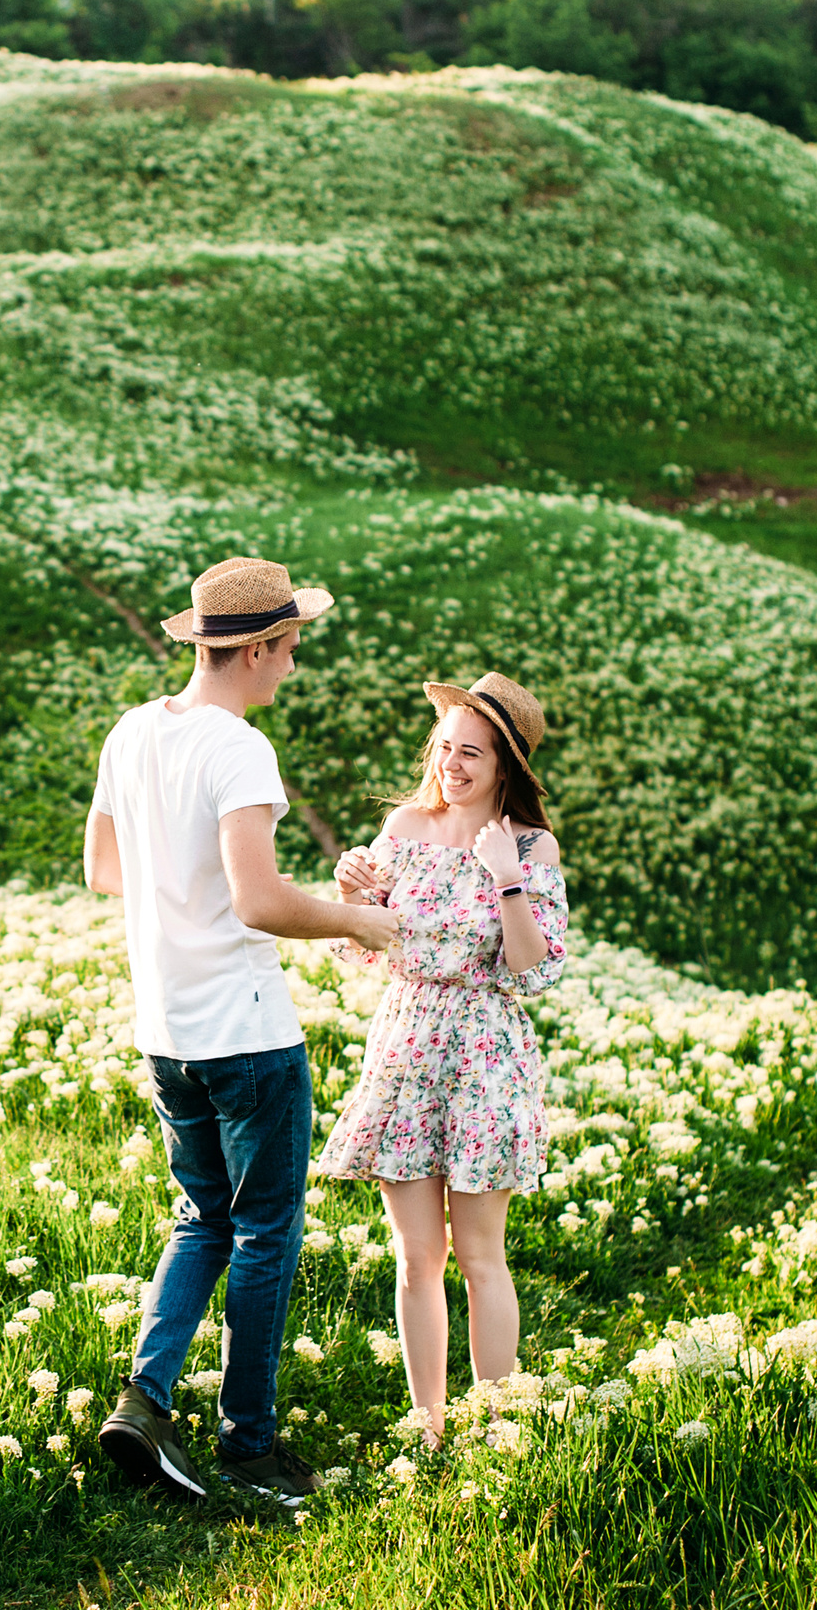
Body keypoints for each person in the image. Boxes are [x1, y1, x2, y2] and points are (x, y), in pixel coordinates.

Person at [85, 556, 400, 1508]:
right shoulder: (238, 750)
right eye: (289, 650)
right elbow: (260, 902)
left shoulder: (134, 732)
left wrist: (181, 901)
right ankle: (249, 1448)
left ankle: (144, 1399)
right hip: (247, 1032)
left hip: (165, 1029)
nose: (291, 670)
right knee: (265, 1232)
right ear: (254, 648)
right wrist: (358, 921)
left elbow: (105, 869)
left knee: (201, 1219)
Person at [319, 672, 567, 1442]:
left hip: (486, 1054)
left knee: (480, 1257)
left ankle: (498, 1424)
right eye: (444, 748)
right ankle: (427, 1423)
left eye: (471, 755)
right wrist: (352, 891)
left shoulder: (530, 845)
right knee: (416, 1257)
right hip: (405, 1047)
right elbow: (360, 943)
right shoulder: (405, 825)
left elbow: (537, 968)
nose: (450, 766)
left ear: (506, 769)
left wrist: (507, 881)